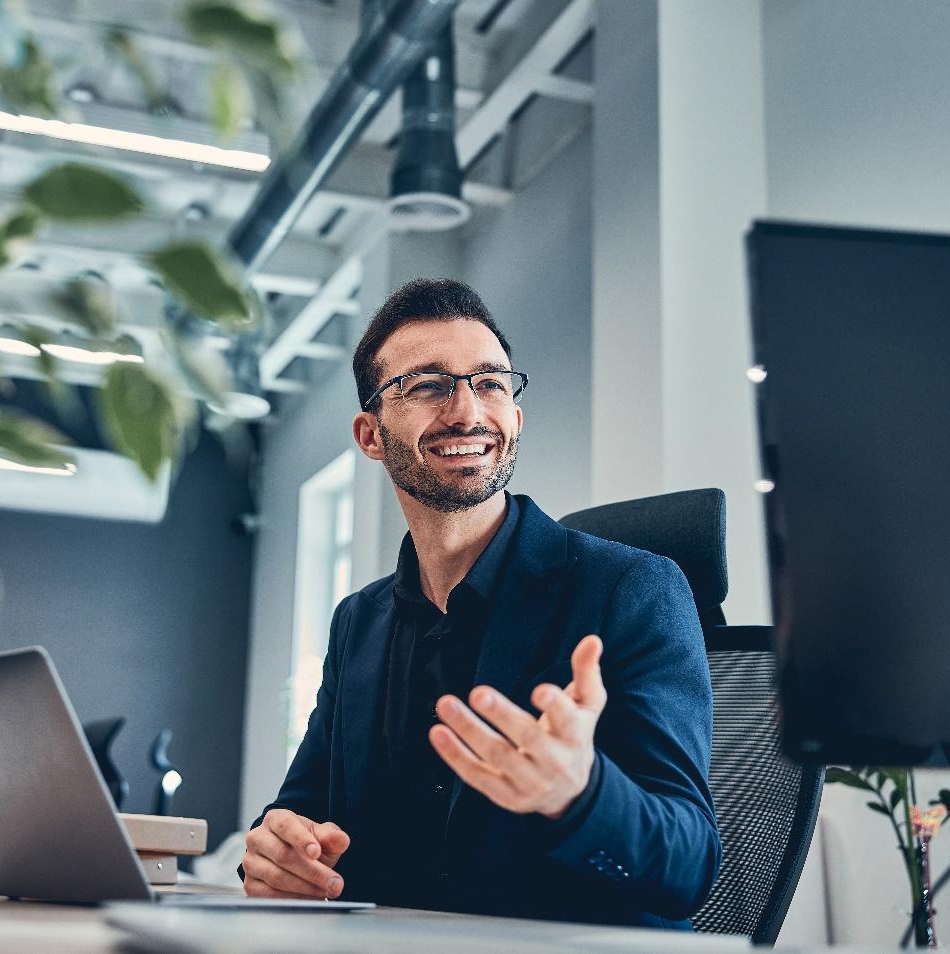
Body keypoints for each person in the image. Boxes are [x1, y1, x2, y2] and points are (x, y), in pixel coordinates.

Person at [241, 278, 719, 928]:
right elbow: (297, 814)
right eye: (430, 384)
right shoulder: (359, 622)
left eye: (490, 382)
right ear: (370, 434)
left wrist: (580, 796)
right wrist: (273, 854)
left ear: (514, 418)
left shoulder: (633, 590)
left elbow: (692, 867)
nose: (467, 410)